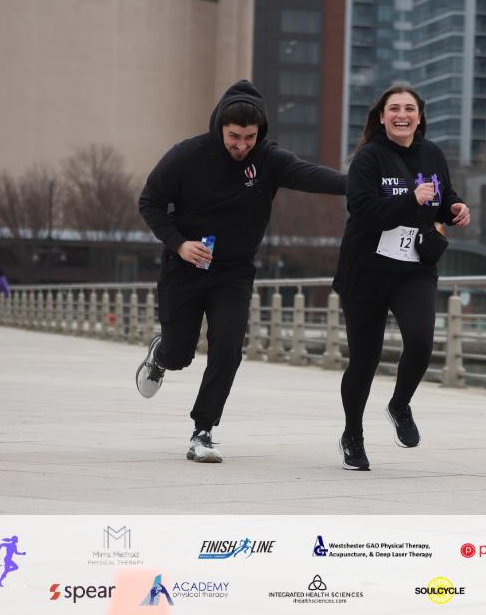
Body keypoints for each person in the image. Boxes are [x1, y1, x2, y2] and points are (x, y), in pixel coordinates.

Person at [136, 79, 346, 463]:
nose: (241, 145)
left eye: (250, 137)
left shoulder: (267, 159)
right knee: (180, 353)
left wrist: (361, 185)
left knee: (229, 346)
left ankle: (203, 430)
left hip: (233, 272)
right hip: (184, 268)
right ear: (220, 126)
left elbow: (312, 175)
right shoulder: (187, 156)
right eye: (234, 136)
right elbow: (150, 202)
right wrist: (179, 243)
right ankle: (160, 355)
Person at [331, 85, 470, 471]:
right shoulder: (368, 158)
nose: (402, 115)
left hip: (414, 268)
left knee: (422, 341)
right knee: (364, 360)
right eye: (394, 108)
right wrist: (411, 199)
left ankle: (400, 404)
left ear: (419, 117)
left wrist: (455, 207)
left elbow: (441, 197)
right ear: (382, 117)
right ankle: (352, 436)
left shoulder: (433, 154)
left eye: (410, 108)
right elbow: (362, 211)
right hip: (367, 271)